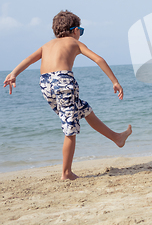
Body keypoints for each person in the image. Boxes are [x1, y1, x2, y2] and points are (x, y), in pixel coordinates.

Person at [3, 10, 132, 180]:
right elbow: (98, 59)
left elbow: (29, 59)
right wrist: (115, 81)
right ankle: (66, 173)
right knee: (70, 126)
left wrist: (13, 73)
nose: (81, 35)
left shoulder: (46, 45)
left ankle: (117, 137)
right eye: (81, 31)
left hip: (45, 84)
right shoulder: (74, 42)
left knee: (83, 109)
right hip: (63, 81)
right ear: (75, 30)